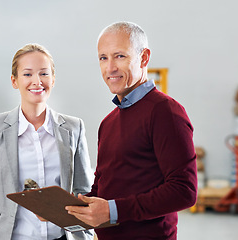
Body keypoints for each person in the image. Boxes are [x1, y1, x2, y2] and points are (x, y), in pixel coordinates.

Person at [66, 21, 197, 240]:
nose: (110, 68)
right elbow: (102, 187)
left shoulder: (165, 111)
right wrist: (66, 209)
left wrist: (113, 211)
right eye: (103, 58)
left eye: (120, 56)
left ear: (144, 58)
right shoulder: (108, 122)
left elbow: (184, 191)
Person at [0, 43, 94, 240]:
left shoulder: (73, 128)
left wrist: (86, 236)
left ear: (53, 79)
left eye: (44, 73)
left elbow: (84, 192)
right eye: (28, 74)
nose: (37, 81)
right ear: (14, 81)